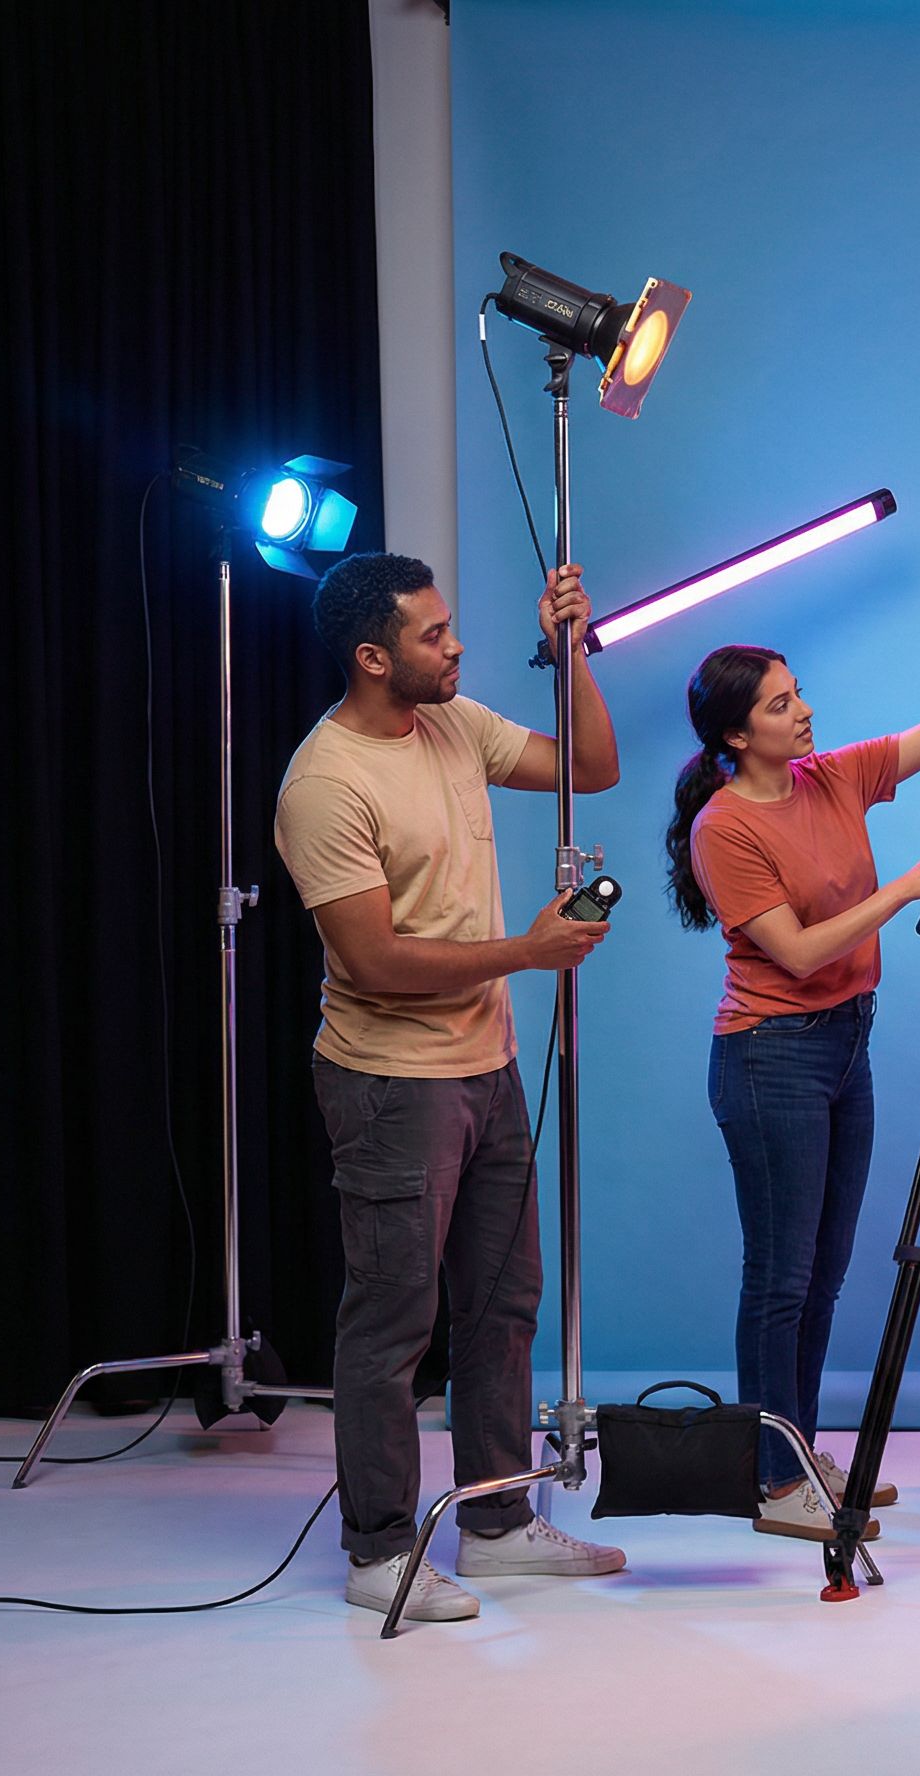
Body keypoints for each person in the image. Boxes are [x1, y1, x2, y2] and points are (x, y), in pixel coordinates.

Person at [274, 553, 627, 1623]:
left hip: (488, 1066)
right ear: (372, 657)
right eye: (433, 636)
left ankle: (499, 1520)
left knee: (501, 1302)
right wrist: (527, 952)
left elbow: (593, 766)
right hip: (391, 1083)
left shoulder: (456, 723)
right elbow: (373, 962)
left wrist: (576, 648)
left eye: (451, 628)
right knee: (394, 1320)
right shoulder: (324, 783)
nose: (456, 645)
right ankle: (379, 1548)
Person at [665, 628, 920, 1544]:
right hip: (770, 1054)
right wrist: (905, 889)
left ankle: (796, 1450)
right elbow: (800, 951)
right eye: (780, 704)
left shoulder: (831, 776)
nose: (803, 709)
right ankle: (774, 1481)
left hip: (846, 1044)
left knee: (822, 1271)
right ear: (735, 736)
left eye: (797, 692)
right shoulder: (724, 826)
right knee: (779, 1277)